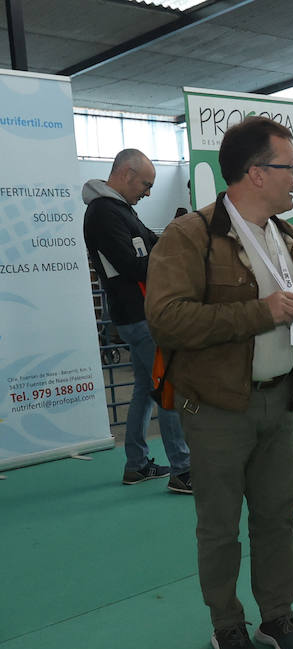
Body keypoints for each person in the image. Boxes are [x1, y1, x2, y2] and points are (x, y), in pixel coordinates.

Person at [145, 116, 293, 649]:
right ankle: (226, 624)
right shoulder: (191, 237)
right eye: (290, 167)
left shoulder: (288, 236)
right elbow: (167, 320)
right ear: (255, 173)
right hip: (217, 407)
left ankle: (278, 614)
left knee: (278, 516)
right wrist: (260, 312)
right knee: (220, 524)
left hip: (281, 401)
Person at [82, 148, 192, 493]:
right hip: (140, 315)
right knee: (168, 386)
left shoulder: (118, 209)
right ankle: (183, 469)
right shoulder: (104, 213)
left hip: (137, 313)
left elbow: (150, 243)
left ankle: (138, 464)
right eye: (146, 184)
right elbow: (134, 264)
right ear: (127, 174)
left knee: (146, 390)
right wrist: (173, 260)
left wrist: (169, 245)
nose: (147, 192)